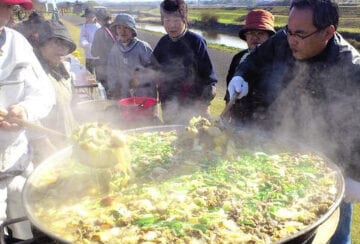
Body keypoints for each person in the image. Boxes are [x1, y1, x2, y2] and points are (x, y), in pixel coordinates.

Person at [227, 0, 360, 243]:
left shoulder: (351, 68)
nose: (290, 40)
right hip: (289, 147)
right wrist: (241, 76)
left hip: (336, 160)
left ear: (328, 32)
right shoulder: (285, 38)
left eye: (300, 34)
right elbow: (254, 58)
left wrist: (357, 176)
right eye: (288, 30)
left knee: (338, 234)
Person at [0, 0, 55, 241]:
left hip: (17, 158)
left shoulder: (16, 42)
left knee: (23, 226)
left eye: (9, 8)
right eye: (5, 6)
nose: (8, 14)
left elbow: (43, 93)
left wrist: (25, 110)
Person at [152, 0, 217, 124]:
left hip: (192, 106)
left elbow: (209, 78)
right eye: (167, 20)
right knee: (169, 137)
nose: (172, 26)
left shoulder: (196, 41)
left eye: (176, 20)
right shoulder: (163, 42)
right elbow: (152, 69)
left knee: (194, 138)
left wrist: (205, 102)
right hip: (169, 105)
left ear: (184, 19)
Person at [28, 20, 78, 161]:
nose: (62, 49)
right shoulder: (33, 73)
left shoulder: (65, 72)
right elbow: (29, 119)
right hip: (46, 152)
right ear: (42, 44)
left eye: (66, 45)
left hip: (67, 143)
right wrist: (46, 147)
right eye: (56, 42)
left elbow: (71, 108)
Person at [224, 9, 275, 124]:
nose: (254, 37)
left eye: (260, 33)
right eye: (250, 33)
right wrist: (228, 107)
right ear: (245, 36)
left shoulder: (277, 61)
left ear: (270, 37)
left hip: (265, 123)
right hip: (238, 119)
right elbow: (229, 87)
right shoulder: (238, 58)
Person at [107, 13, 156, 100]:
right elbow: (111, 71)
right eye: (119, 28)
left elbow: (153, 70)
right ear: (115, 30)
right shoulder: (115, 49)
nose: (122, 31)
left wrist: (140, 79)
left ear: (132, 30)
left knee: (142, 112)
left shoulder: (142, 47)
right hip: (124, 93)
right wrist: (113, 88)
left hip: (143, 93)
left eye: (126, 27)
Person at [91, 8, 115, 96]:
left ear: (99, 19)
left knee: (107, 93)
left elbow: (94, 52)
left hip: (105, 68)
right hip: (120, 67)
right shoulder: (118, 29)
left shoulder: (99, 32)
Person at [79, 7, 100, 74]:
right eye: (87, 17)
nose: (89, 18)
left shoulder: (98, 27)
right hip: (88, 55)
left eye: (91, 17)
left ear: (95, 17)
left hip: (97, 56)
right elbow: (82, 36)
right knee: (88, 73)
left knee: (99, 75)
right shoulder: (84, 26)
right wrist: (84, 43)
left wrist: (93, 45)